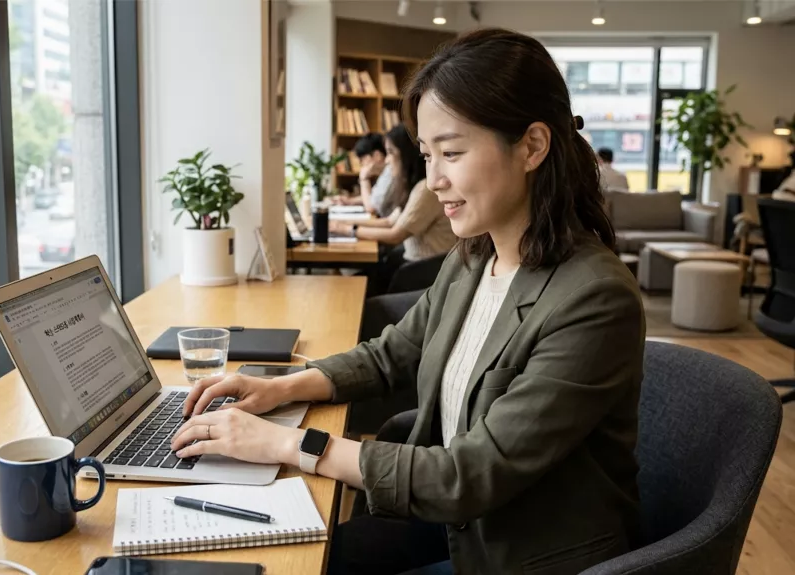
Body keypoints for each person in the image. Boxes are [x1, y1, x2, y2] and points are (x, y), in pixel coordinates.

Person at [171, 27, 644, 575]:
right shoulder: (473, 258)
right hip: (453, 524)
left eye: (452, 153)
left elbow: (469, 475)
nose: (434, 179)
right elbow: (390, 354)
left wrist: (286, 444)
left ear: (533, 146)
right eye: (426, 155)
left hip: (520, 551)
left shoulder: (594, 298)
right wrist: (276, 388)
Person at [332, 124, 458, 296]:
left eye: (391, 152)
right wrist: (341, 224)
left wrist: (348, 230)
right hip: (412, 264)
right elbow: (389, 221)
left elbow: (395, 234)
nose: (386, 160)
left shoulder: (425, 190)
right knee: (348, 284)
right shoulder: (415, 187)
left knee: (350, 290)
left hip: (423, 271)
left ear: (405, 154)